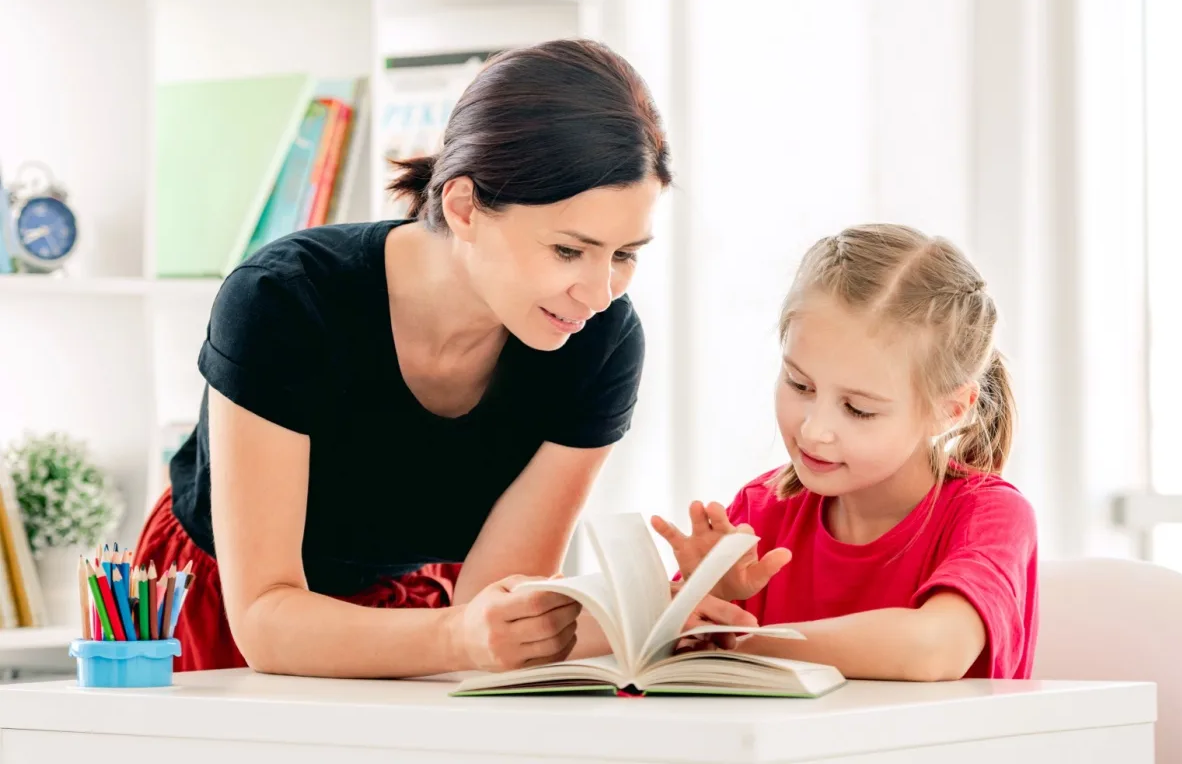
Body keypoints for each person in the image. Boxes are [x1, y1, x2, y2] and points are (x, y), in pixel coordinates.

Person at [135, 38, 756, 677]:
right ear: (463, 208)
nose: (600, 294)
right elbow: (266, 623)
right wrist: (462, 634)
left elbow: (499, 608)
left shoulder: (599, 342)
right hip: (218, 607)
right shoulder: (285, 300)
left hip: (414, 615)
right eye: (569, 251)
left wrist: (664, 615)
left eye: (624, 254)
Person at [653, 223, 1039, 681]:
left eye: (858, 409)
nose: (814, 432)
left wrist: (739, 644)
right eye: (800, 384)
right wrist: (698, 606)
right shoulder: (761, 511)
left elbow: (933, 649)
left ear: (949, 410)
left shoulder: (988, 516)